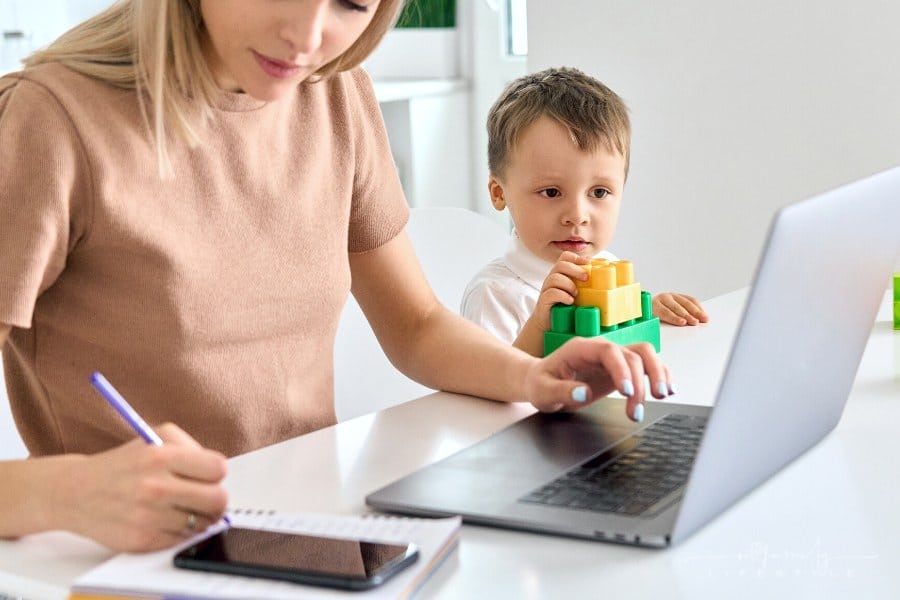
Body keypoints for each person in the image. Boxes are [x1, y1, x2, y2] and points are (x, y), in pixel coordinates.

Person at [0, 1, 672, 553]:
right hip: (143, 561)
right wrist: (65, 491)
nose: (310, 35)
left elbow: (417, 326)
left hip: (320, 530)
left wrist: (533, 376)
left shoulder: (333, 89)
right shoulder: (51, 121)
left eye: (352, 2)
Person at [461, 67, 709, 358]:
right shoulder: (494, 296)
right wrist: (540, 328)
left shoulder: (607, 266)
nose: (577, 215)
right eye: (551, 192)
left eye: (599, 192)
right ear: (499, 192)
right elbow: (489, 392)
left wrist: (644, 316)